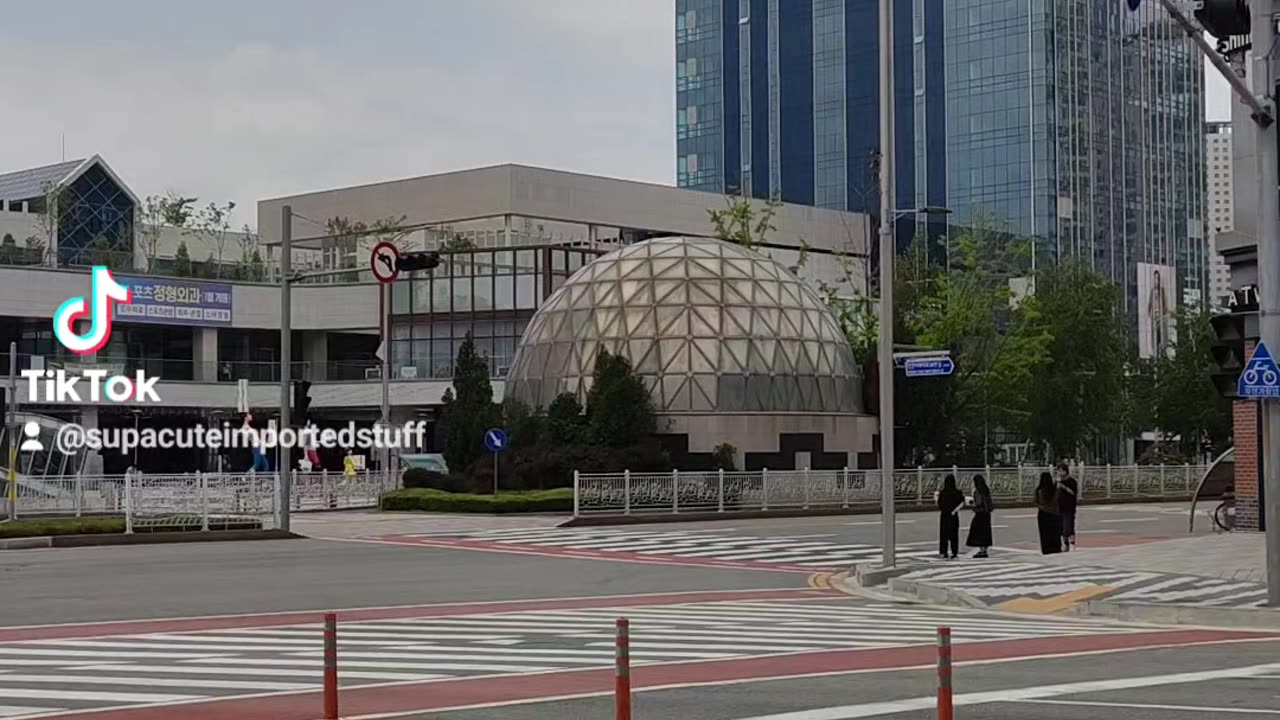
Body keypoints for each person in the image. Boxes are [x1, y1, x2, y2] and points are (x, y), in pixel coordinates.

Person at [936, 474, 965, 560]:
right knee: (954, 535)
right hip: (953, 515)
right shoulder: (958, 492)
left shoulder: (943, 492)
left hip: (944, 515)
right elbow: (962, 502)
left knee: (944, 534)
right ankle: (954, 552)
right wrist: (954, 510)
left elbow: (939, 504)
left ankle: (943, 552)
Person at [966, 474, 994, 558]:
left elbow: (978, 503)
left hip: (980, 513)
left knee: (978, 531)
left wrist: (971, 504)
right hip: (987, 513)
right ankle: (984, 549)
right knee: (985, 531)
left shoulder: (977, 491)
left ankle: (981, 550)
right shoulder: (986, 490)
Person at [1036, 471, 1062, 554]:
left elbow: (1034, 502)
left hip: (1043, 514)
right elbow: (1058, 499)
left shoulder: (1038, 490)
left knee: (1044, 533)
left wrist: (1041, 506)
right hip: (1054, 514)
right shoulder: (1055, 490)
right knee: (1055, 532)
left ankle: (1046, 548)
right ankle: (1056, 548)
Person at [1056, 461, 1079, 551]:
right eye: (1058, 471)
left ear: (1066, 471)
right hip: (1059, 507)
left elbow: (1073, 493)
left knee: (1068, 526)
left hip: (1069, 507)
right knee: (1061, 527)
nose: (1060, 473)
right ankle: (1066, 544)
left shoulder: (1071, 481)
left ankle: (1072, 542)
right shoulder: (1057, 482)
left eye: (1062, 471)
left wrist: (1063, 487)